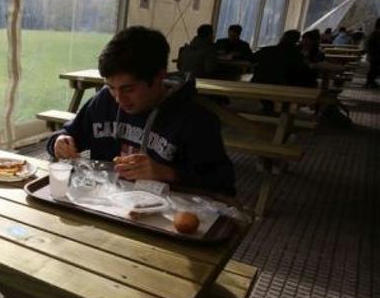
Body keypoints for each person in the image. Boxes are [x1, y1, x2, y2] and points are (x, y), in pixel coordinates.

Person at [46, 26, 235, 196]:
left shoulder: (195, 119)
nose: (119, 99)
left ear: (159, 77)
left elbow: (223, 182)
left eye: (129, 89)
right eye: (111, 87)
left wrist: (166, 173)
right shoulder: (104, 99)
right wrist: (59, 142)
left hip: (163, 215)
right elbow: (68, 133)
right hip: (106, 202)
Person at [251, 30, 316, 113]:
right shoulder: (296, 54)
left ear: (282, 38)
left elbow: (252, 58)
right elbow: (304, 72)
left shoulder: (267, 50)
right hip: (284, 85)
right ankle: (284, 112)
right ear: (296, 41)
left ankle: (268, 107)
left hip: (259, 83)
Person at [366, 18, 380, 89]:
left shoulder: (374, 33)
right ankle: (370, 83)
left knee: (373, 69)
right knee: (374, 69)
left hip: (373, 55)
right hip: (375, 56)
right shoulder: (376, 34)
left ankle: (370, 82)